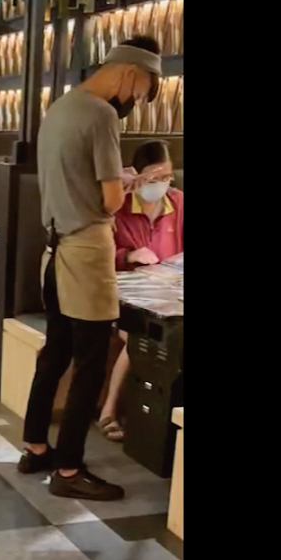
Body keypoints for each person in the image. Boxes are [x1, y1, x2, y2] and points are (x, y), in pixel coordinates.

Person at [17, 36, 163, 501]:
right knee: (90, 363)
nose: (135, 101)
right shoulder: (101, 114)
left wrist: (116, 179)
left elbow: (73, 179)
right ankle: (69, 469)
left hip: (54, 248)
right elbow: (110, 201)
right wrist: (127, 185)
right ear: (130, 73)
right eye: (141, 91)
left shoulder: (61, 108)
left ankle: (35, 447)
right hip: (85, 251)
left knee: (55, 352)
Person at [98, 140, 183, 442]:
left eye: (167, 176)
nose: (162, 184)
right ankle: (109, 411)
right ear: (137, 176)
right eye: (154, 178)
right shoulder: (117, 206)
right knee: (143, 337)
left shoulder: (178, 203)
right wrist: (129, 255)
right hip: (122, 301)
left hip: (169, 297)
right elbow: (98, 253)